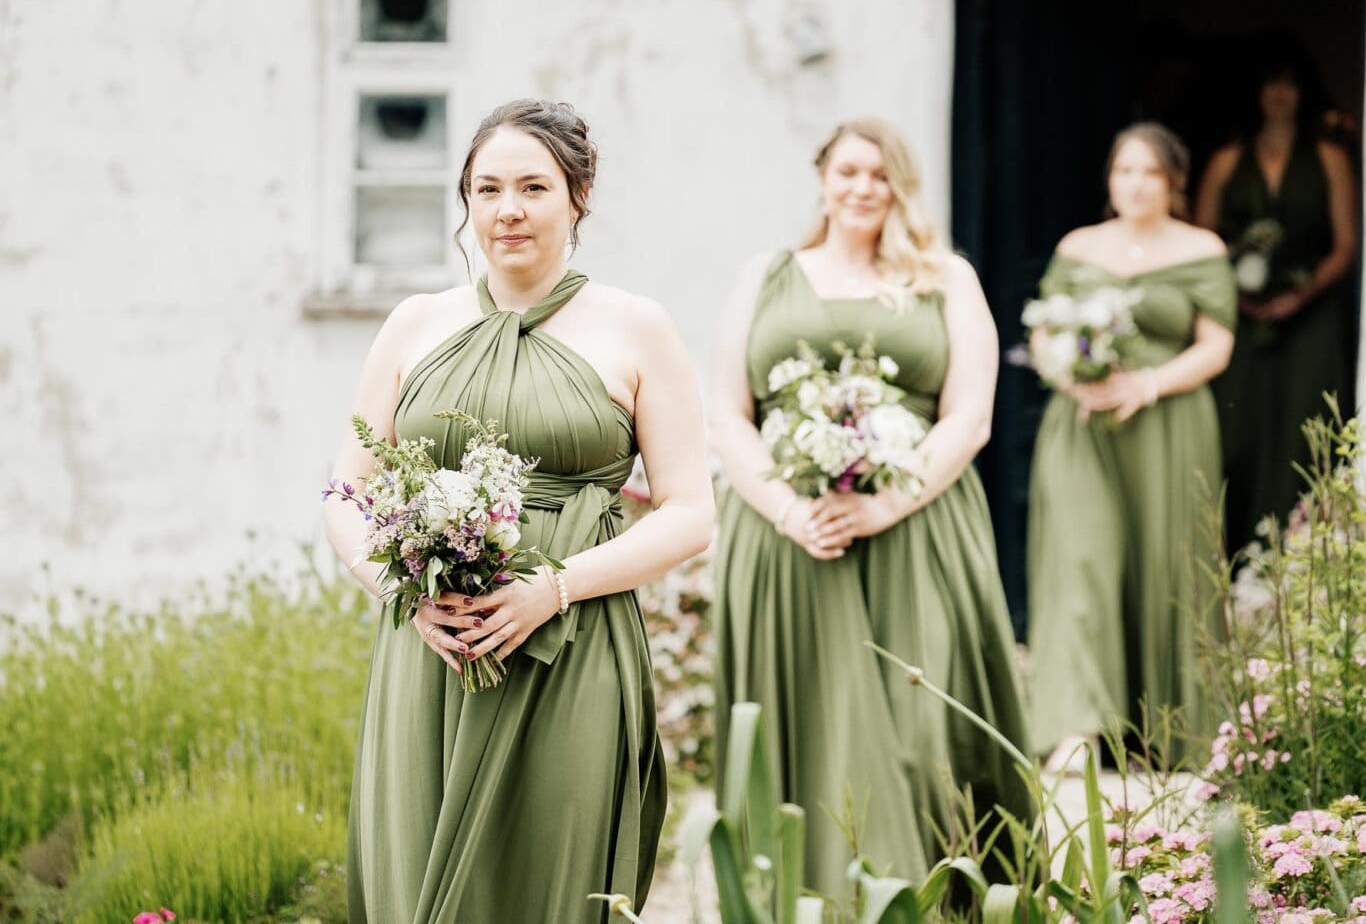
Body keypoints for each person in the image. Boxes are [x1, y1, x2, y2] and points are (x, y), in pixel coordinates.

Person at [323, 100, 714, 922]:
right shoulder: (415, 323)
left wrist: (554, 588)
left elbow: (689, 513)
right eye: (487, 187)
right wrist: (401, 594)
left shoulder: (637, 327)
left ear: (577, 197)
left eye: (533, 186)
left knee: (552, 874)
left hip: (571, 650)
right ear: (465, 201)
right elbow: (346, 492)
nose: (508, 209)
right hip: (430, 652)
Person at [709, 117, 1030, 896]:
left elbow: (971, 416)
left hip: (915, 533)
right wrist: (788, 509)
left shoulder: (946, 278)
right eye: (849, 171)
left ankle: (923, 898)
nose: (862, 188)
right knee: (807, 725)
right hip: (786, 540)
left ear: (902, 188)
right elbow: (724, 411)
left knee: (919, 732)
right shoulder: (767, 273)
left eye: (881, 175)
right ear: (823, 176)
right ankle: (800, 898)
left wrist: (885, 505)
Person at [1026, 123, 1236, 773]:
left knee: (1168, 561)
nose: (1135, 184)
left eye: (1149, 173)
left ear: (1174, 180)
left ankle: (1175, 729)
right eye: (1123, 172)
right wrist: (1069, 376)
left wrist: (1148, 383)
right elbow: (1042, 331)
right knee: (1081, 557)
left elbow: (1216, 344)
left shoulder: (1201, 249)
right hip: (1084, 427)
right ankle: (1077, 726)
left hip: (1169, 426)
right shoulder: (1078, 247)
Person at [1195, 48, 1359, 547]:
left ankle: (1303, 555)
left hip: (1311, 318)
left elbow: (1345, 244)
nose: (1279, 94)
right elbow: (1200, 243)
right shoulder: (1227, 161)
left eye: (1289, 83)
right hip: (1240, 318)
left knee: (1304, 430)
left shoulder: (1329, 159)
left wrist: (1298, 295)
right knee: (1236, 431)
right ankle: (1235, 552)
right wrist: (1235, 292)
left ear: (1303, 93)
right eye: (1270, 83)